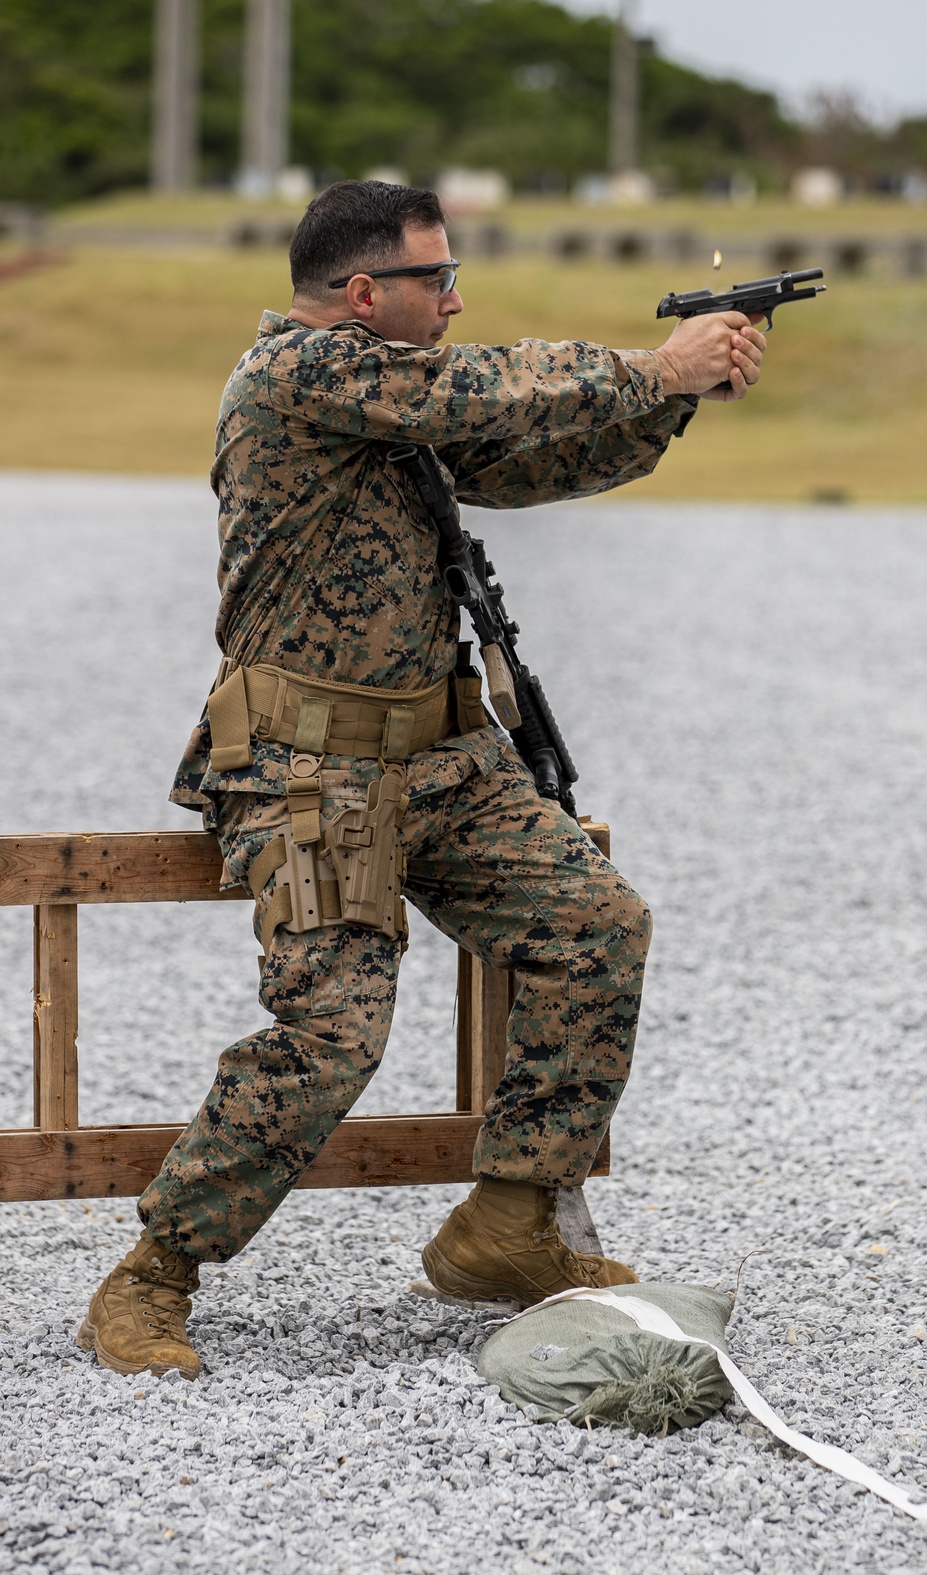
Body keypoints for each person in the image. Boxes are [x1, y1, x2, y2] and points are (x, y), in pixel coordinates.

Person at [77, 180, 766, 1381]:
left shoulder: (391, 402)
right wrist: (655, 364)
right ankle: (150, 1279)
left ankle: (507, 1226)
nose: (454, 300)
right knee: (335, 1032)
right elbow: (486, 386)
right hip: (308, 769)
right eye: (433, 281)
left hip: (437, 754)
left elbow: (524, 453)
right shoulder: (303, 375)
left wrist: (679, 398)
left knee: (594, 927)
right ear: (361, 295)